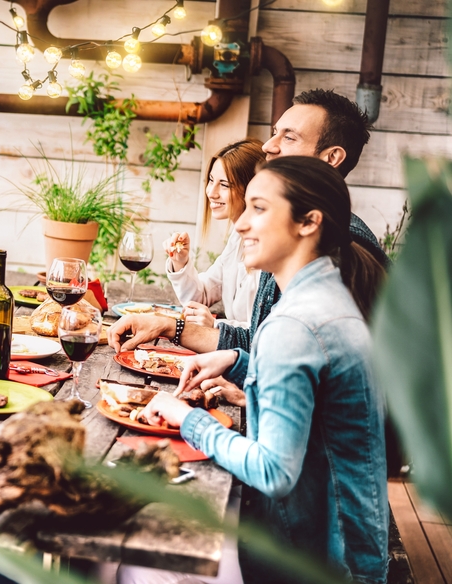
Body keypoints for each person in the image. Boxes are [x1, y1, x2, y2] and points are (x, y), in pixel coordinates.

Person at [140, 157, 389, 584]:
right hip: (354, 550)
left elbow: (273, 473)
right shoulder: (327, 295)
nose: (239, 224)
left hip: (312, 563)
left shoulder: (293, 325)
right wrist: (237, 361)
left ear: (308, 222)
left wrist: (186, 419)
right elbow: (319, 383)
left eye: (259, 208)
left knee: (140, 560)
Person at [110, 88, 387, 356]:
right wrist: (170, 326)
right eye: (274, 133)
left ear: (332, 158)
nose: (268, 145)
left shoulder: (340, 248)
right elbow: (260, 343)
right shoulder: (287, 232)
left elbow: (318, 386)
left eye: (289, 137)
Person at [164, 139, 264, 329]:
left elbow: (261, 332)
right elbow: (200, 297)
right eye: (211, 180)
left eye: (224, 185)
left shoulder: (268, 252)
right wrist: (180, 261)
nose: (211, 192)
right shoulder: (237, 238)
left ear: (251, 189)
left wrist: (215, 324)